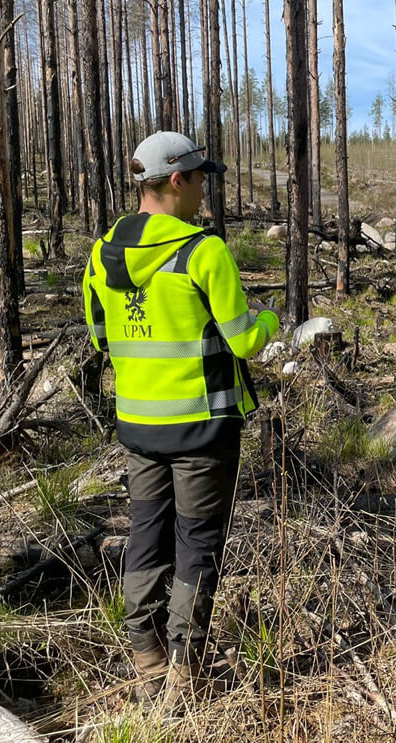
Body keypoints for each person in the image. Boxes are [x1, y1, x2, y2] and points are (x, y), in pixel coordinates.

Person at [83, 131, 280, 704]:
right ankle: (183, 670)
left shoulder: (102, 252)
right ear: (177, 181)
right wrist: (268, 320)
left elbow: (100, 336)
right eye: (200, 179)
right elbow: (244, 343)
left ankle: (144, 654)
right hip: (202, 428)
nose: (203, 191)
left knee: (146, 535)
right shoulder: (204, 250)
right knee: (198, 543)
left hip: (138, 427)